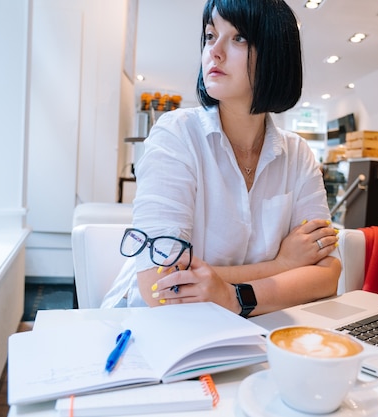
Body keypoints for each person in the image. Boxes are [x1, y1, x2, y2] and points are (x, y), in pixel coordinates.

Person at [101, 0, 341, 316]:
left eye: (238, 37)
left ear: (275, 54)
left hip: (254, 331)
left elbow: (327, 276)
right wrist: (282, 265)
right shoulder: (176, 135)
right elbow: (162, 286)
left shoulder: (298, 155)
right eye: (210, 35)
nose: (214, 51)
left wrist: (229, 295)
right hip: (156, 327)